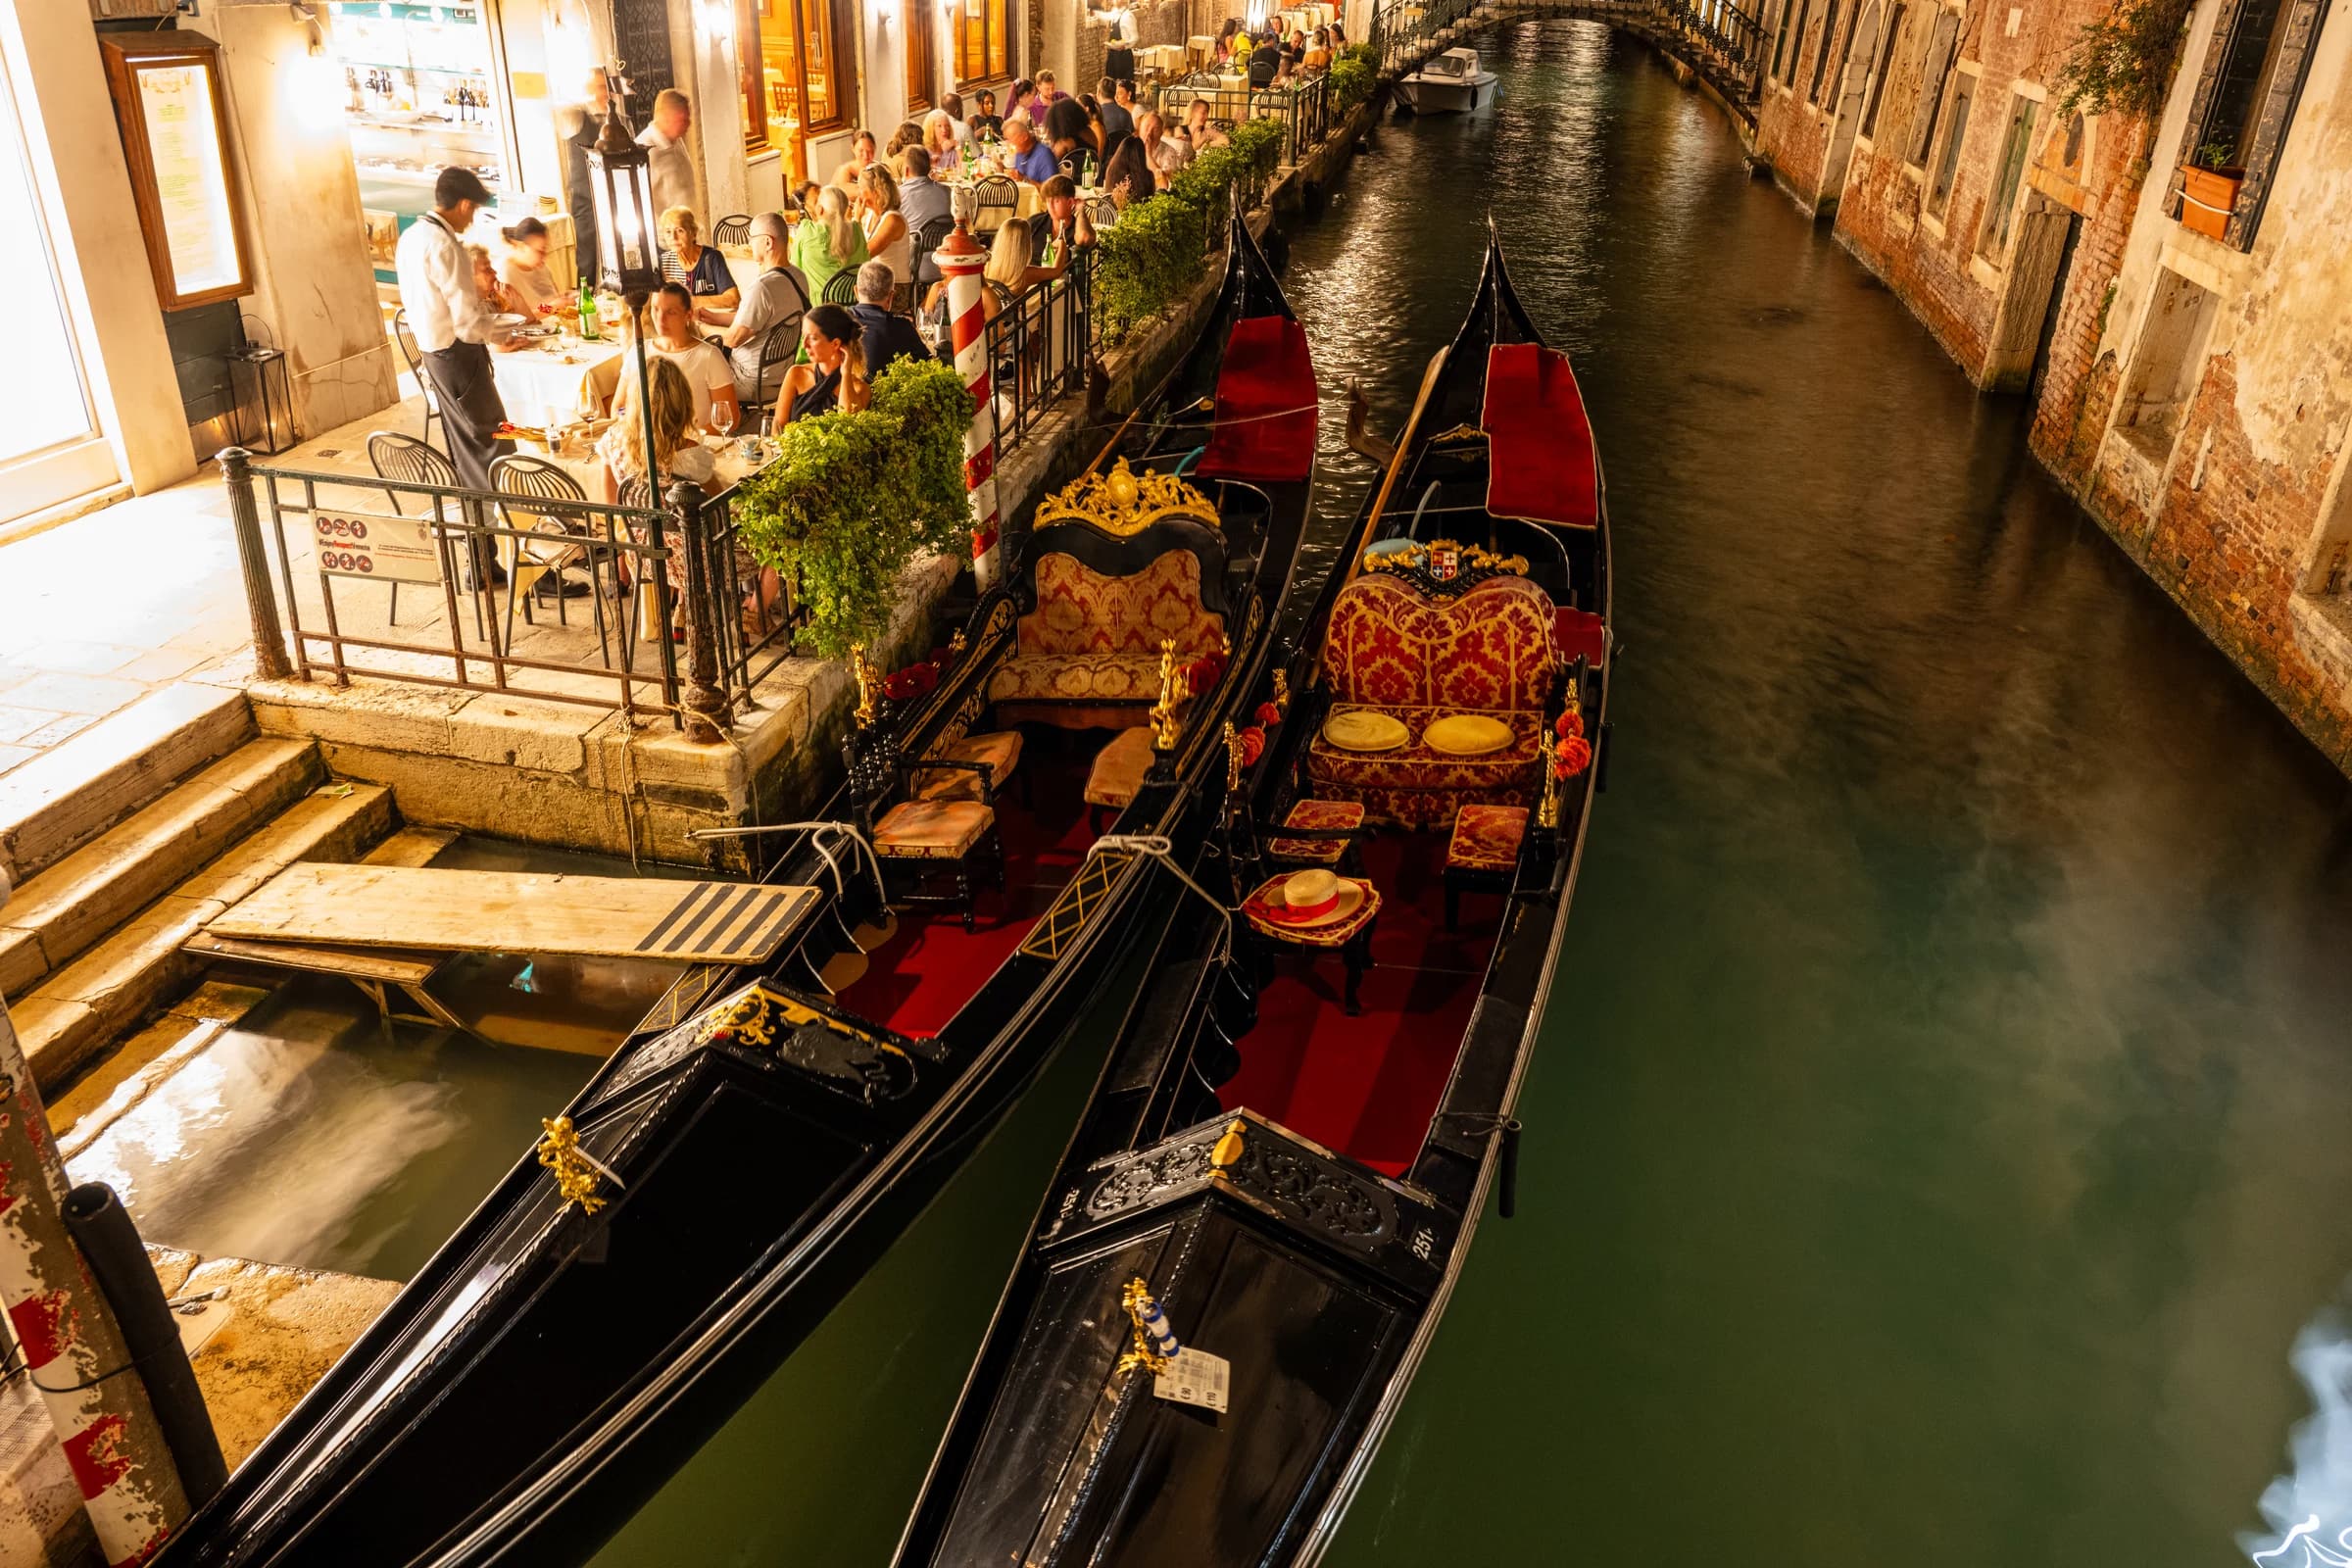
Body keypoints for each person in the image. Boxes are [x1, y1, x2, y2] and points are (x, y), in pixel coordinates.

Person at [394, 168, 521, 588]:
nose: (472, 220)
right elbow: (468, 324)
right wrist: (506, 330)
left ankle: (483, 561)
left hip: (435, 357)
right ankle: (530, 566)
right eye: (474, 211)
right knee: (501, 452)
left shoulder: (411, 236)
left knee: (468, 458)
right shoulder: (446, 245)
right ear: (464, 205)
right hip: (459, 356)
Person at [703, 210, 810, 407]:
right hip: (781, 373)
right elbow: (756, 320)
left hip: (750, 379)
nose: (749, 243)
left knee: (693, 374)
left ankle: (715, 427)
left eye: (752, 238)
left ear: (768, 242)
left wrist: (700, 329)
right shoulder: (798, 276)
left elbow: (732, 339)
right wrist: (713, 317)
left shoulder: (763, 287)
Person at [613, 282, 740, 434]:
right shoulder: (639, 351)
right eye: (656, 309)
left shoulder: (709, 357)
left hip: (693, 446)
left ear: (688, 315)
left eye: (671, 312)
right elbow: (618, 407)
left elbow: (729, 419)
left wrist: (683, 439)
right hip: (646, 445)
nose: (660, 318)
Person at [775, 304, 869, 426]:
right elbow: (777, 426)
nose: (804, 345)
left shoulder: (859, 389)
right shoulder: (796, 374)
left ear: (835, 344)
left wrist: (845, 374)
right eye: (804, 337)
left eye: (813, 338)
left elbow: (849, 425)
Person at [561, 70, 608, 285]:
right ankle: (586, 299)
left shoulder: (615, 119)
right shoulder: (576, 118)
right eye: (600, 87)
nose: (605, 92)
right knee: (588, 256)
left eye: (607, 87)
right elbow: (556, 109)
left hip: (611, 199)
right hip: (586, 199)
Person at [849, 263, 929, 375]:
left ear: (856, 292)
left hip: (841, 389)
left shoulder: (839, 320)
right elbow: (929, 365)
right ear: (891, 297)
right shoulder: (901, 327)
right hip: (882, 391)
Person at [793, 182, 868, 301]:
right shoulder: (856, 229)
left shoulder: (807, 230)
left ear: (820, 209)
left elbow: (795, 268)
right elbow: (866, 265)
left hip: (819, 311)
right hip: (853, 307)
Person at [658, 207, 738, 310]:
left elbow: (733, 299)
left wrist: (686, 301)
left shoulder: (712, 257)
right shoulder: (664, 263)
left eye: (680, 231)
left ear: (694, 233)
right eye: (668, 232)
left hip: (708, 321)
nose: (673, 237)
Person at [636, 88, 696, 217]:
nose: (689, 124)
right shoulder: (645, 150)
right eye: (683, 120)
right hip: (668, 234)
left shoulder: (677, 140)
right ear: (665, 117)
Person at [858, 164, 911, 303]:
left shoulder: (892, 221)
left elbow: (864, 253)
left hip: (893, 289)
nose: (859, 194)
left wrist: (856, 222)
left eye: (861, 189)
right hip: (874, 282)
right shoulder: (870, 215)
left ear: (875, 192)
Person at [1027, 174, 1097, 266]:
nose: (1050, 206)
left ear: (1070, 202)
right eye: (1048, 201)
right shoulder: (1035, 222)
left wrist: (1081, 211)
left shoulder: (1078, 228)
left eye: (1056, 201)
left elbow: (1085, 237)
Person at [496, 217, 560, 316]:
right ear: (521, 246)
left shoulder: (539, 266)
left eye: (545, 249)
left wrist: (564, 300)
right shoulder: (506, 273)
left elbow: (555, 296)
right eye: (539, 251)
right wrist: (553, 307)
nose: (544, 256)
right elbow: (523, 315)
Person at [899, 145, 953, 236]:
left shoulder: (898, 195)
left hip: (914, 248)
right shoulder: (947, 191)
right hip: (943, 247)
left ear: (907, 170)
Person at [1044, 97, 1093, 183]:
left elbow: (1049, 162)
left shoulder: (1066, 142)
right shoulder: (1089, 132)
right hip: (1089, 178)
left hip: (1066, 183)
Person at [1102, 130, 1153, 210]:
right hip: (1135, 219)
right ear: (1141, 155)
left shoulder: (1111, 171)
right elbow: (1149, 204)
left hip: (1109, 217)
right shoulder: (1147, 176)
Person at [1004, 116, 1058, 183]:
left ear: (1024, 137)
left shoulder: (1044, 155)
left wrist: (1024, 179)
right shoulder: (1020, 152)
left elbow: (1052, 191)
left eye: (1011, 140)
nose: (1009, 144)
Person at [1137, 110, 1187, 180]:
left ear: (1161, 133)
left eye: (1155, 129)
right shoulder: (1130, 147)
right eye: (1147, 127)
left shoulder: (1169, 153)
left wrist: (1148, 155)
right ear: (1140, 128)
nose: (1149, 133)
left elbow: (1165, 183)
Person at [1097, 74, 1135, 149]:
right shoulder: (1126, 113)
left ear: (1098, 93)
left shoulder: (1097, 114)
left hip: (1104, 157)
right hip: (1123, 155)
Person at [921, 109, 962, 176]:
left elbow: (965, 169)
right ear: (931, 129)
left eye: (947, 126)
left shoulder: (952, 148)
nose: (944, 130)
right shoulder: (924, 152)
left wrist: (957, 145)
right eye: (939, 126)